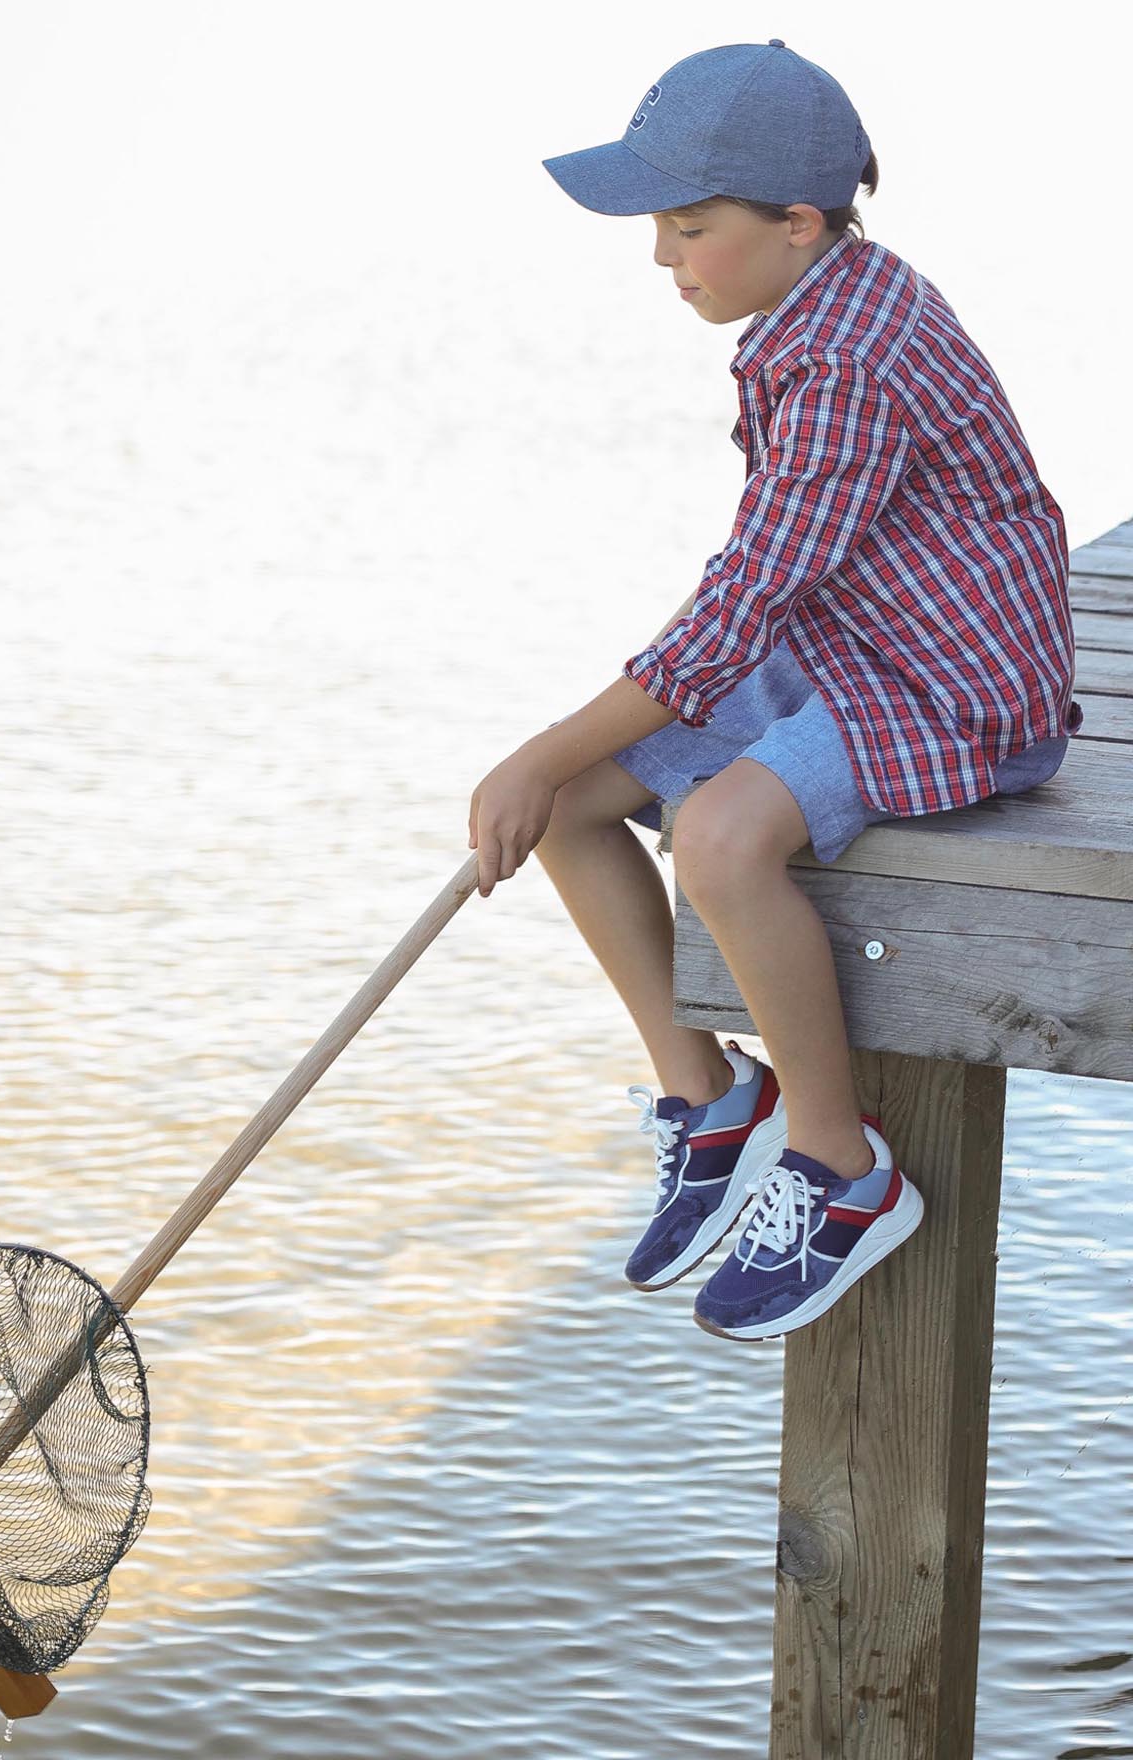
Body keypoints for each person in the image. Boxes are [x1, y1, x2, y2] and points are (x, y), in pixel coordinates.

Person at [465, 40, 1082, 1343]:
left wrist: (528, 750)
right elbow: (765, 585)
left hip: (954, 690)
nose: (662, 256)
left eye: (689, 227)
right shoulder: (817, 307)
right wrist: (553, 768)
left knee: (720, 836)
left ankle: (840, 1167)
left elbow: (739, 607)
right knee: (581, 802)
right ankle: (707, 1098)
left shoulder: (850, 360)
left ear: (797, 224)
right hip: (853, 642)